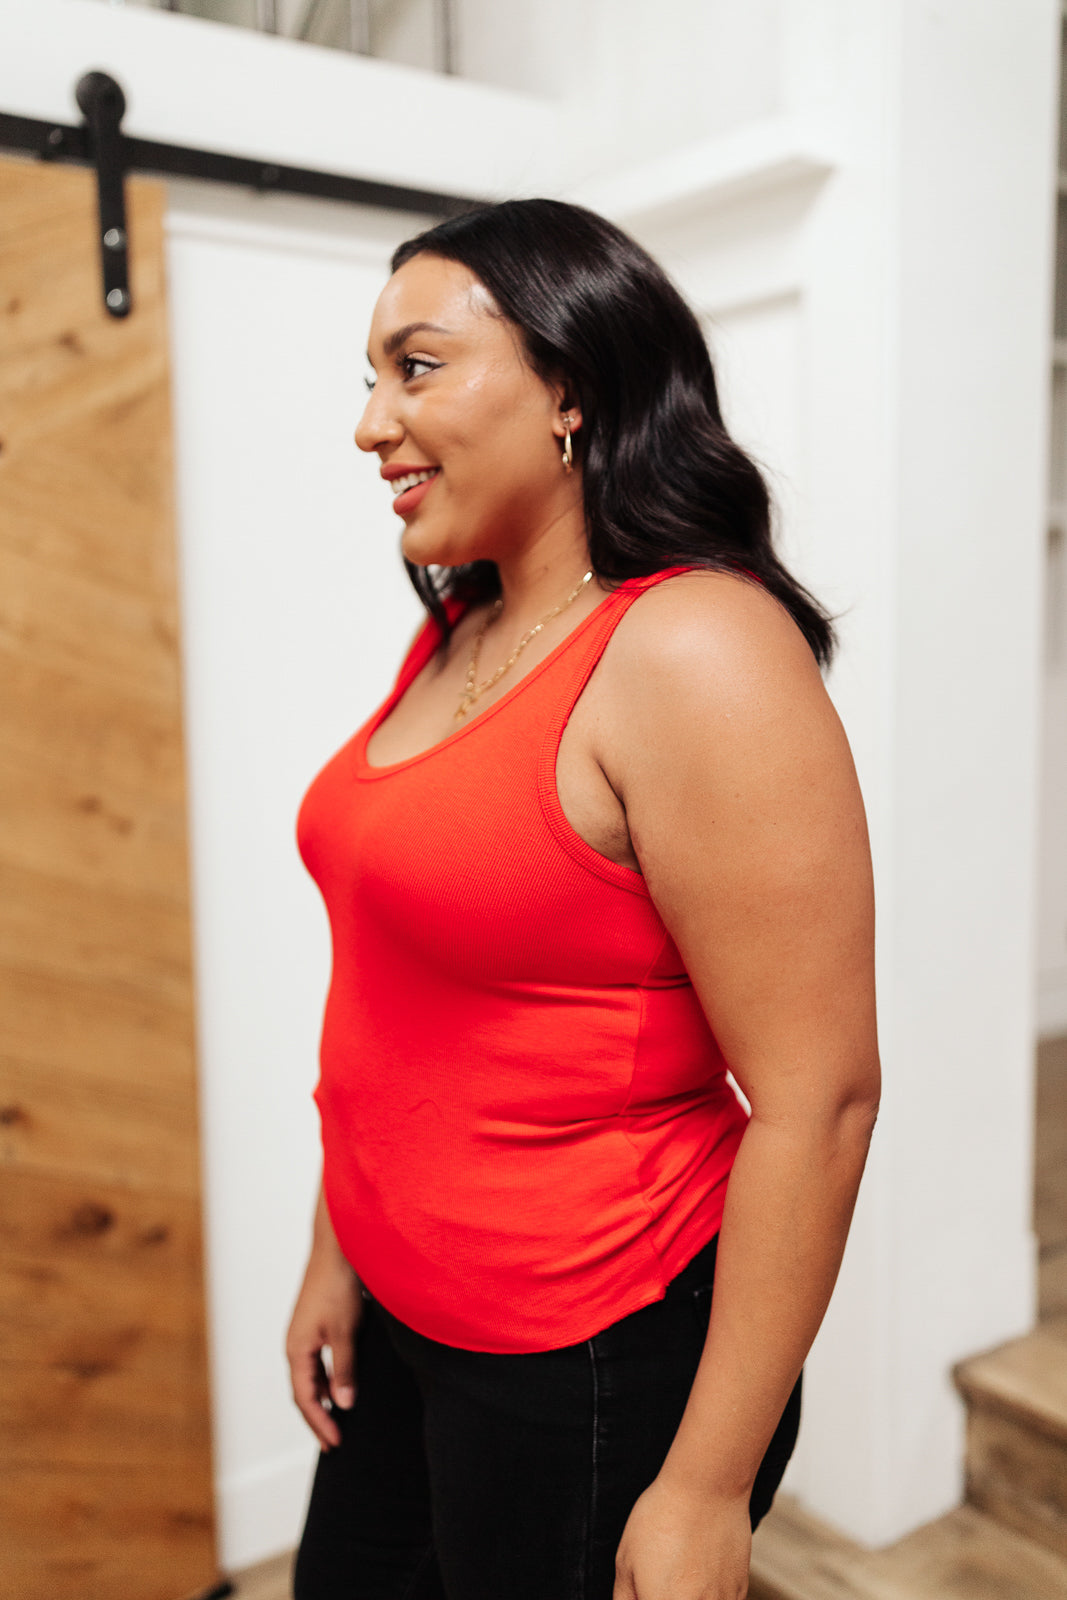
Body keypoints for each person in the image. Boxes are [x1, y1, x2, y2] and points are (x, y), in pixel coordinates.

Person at [286, 197, 879, 1600]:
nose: (371, 425)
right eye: (370, 379)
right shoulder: (467, 624)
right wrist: (335, 1253)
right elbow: (394, 997)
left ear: (572, 389)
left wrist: (709, 1487)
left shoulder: (695, 649)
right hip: (403, 1303)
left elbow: (822, 1099)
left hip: (589, 1347)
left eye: (416, 368)